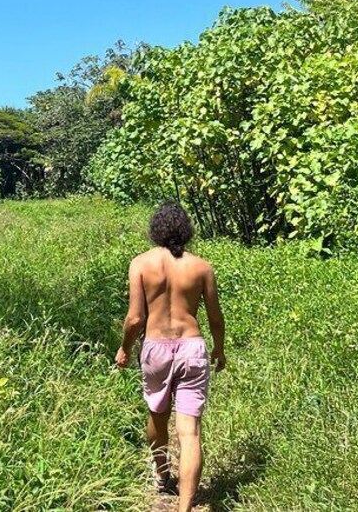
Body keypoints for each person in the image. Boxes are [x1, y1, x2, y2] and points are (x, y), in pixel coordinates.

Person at [115, 202, 226, 512]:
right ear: (186, 230)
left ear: (155, 231)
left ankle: (163, 474)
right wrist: (219, 348)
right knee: (189, 431)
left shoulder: (140, 263)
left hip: (156, 348)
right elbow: (216, 318)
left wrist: (124, 347)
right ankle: (184, 508)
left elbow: (136, 318)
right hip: (192, 347)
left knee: (157, 414)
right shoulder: (202, 267)